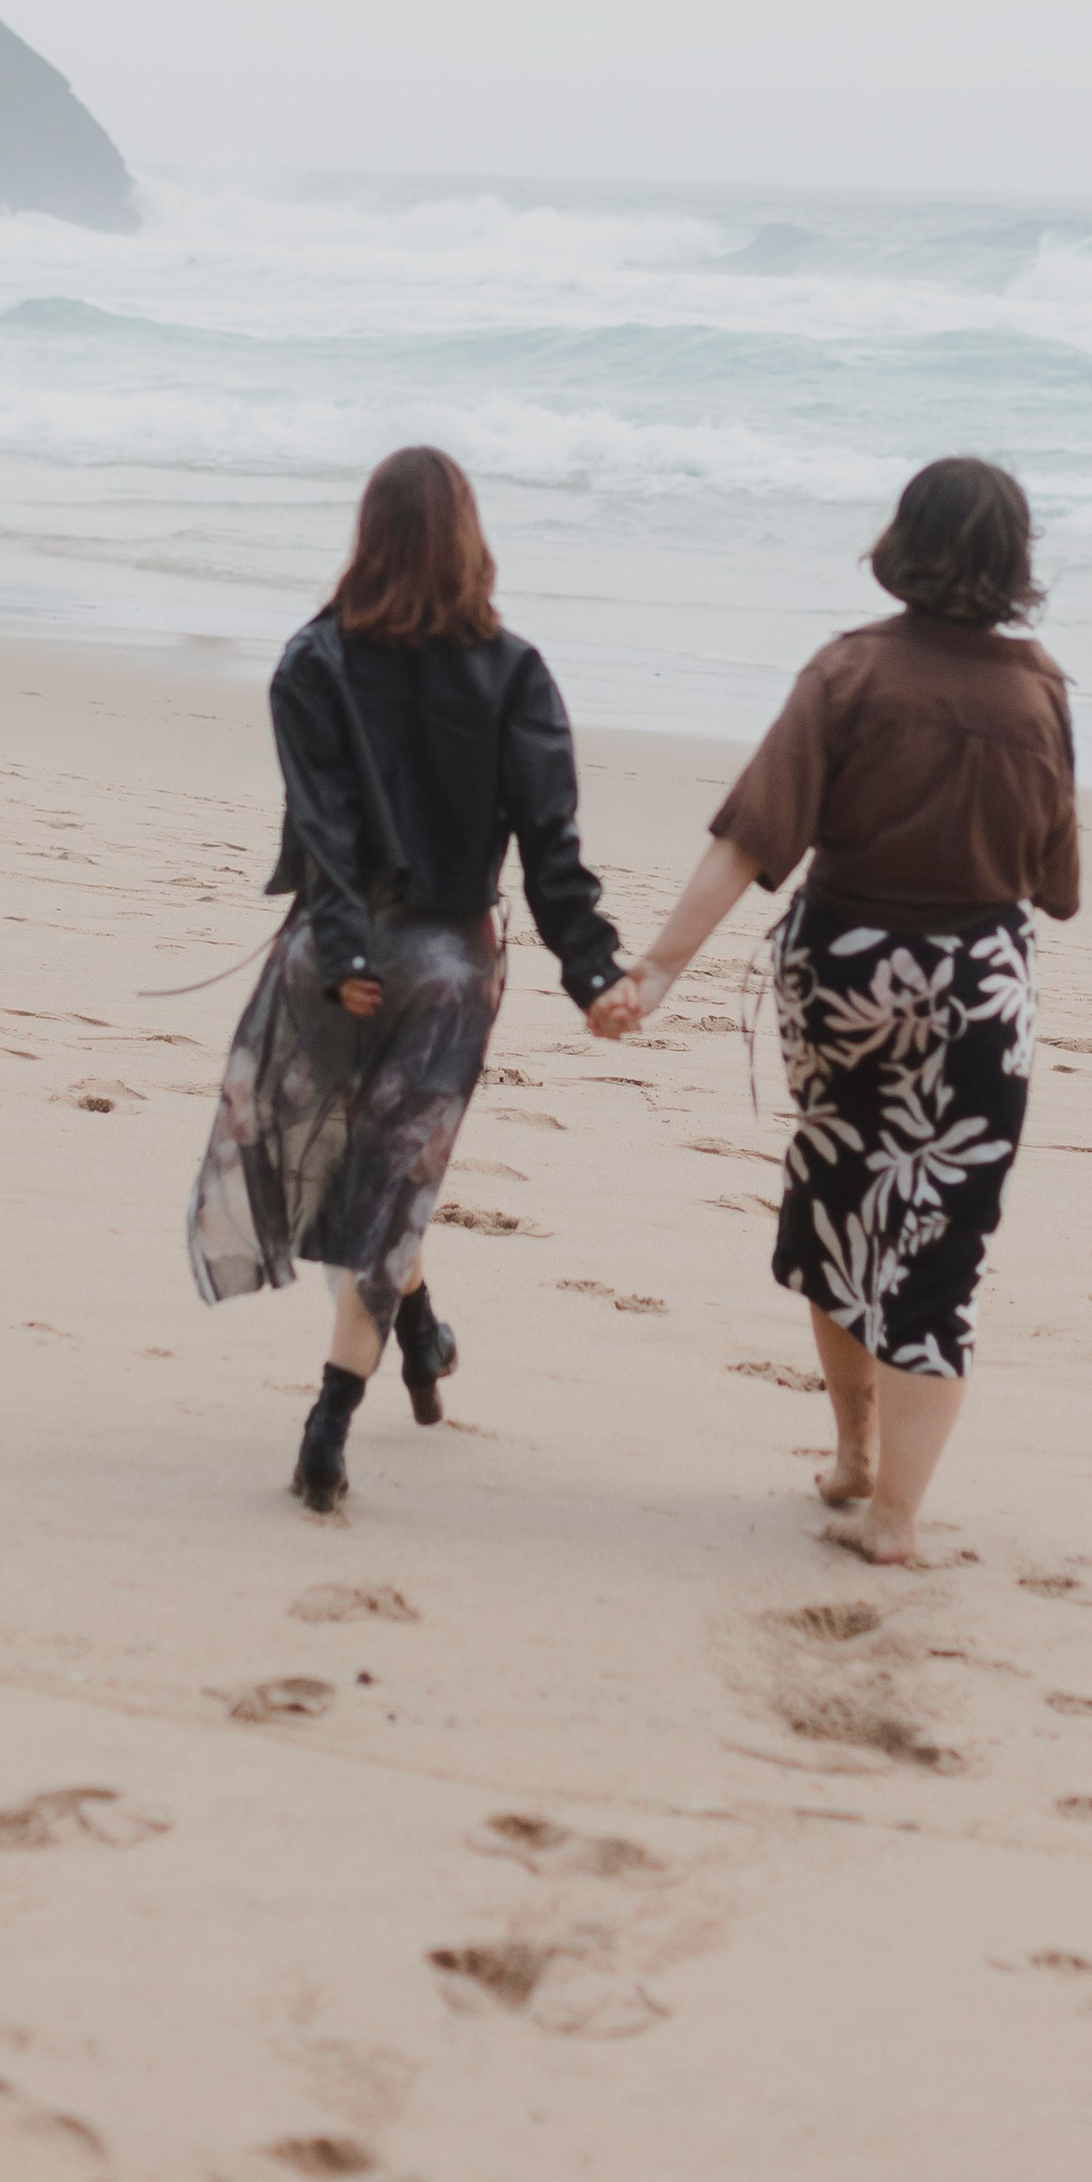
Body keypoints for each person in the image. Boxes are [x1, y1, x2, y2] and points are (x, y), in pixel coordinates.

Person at [587, 456, 1077, 1562]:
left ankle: (855, 1454)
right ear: (1015, 561)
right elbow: (1052, 878)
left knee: (839, 1194)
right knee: (944, 1237)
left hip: (845, 971)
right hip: (978, 987)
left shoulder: (848, 670)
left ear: (901, 542)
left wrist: (658, 969)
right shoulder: (1038, 690)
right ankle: (895, 1517)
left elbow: (755, 835)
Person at [187, 445, 626, 1513]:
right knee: (393, 1177)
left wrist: (342, 957)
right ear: (470, 539)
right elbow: (550, 843)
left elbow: (326, 829)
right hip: (447, 965)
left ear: (369, 535)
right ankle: (335, 1418)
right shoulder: (515, 671)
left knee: (350, 1167)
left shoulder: (313, 660)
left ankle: (413, 1339)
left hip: (331, 957)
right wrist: (591, 969)